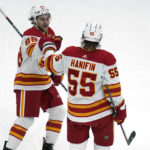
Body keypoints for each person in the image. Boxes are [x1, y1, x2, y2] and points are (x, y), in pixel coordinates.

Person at [43, 22, 127, 150]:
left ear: (83, 36)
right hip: (101, 116)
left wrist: (49, 47)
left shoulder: (69, 53)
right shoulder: (107, 59)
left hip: (76, 115)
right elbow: (113, 92)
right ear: (99, 38)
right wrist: (121, 109)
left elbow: (50, 65)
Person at [3, 5, 66, 150]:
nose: (45, 22)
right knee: (26, 119)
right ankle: (8, 148)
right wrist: (45, 43)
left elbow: (49, 57)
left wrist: (56, 71)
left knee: (59, 111)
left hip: (43, 80)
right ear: (34, 20)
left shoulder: (50, 33)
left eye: (47, 18)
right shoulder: (29, 35)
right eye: (41, 19)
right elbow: (34, 53)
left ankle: (48, 146)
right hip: (27, 81)